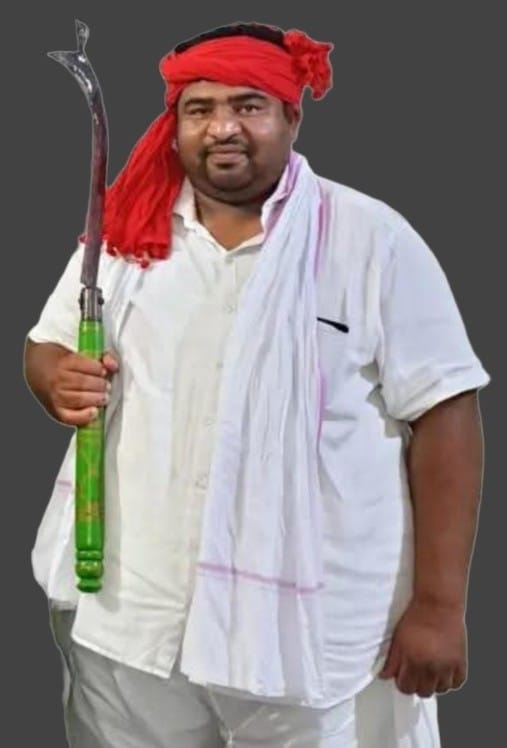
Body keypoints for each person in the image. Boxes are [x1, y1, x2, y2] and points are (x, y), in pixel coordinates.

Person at [24, 21, 489, 748]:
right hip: (132, 605)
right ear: (175, 122)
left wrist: (439, 605)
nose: (222, 128)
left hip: (311, 626)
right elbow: (47, 346)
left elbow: (445, 413)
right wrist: (55, 378)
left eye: (248, 105)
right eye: (199, 108)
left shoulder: (371, 239)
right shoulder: (125, 233)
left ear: (291, 116)